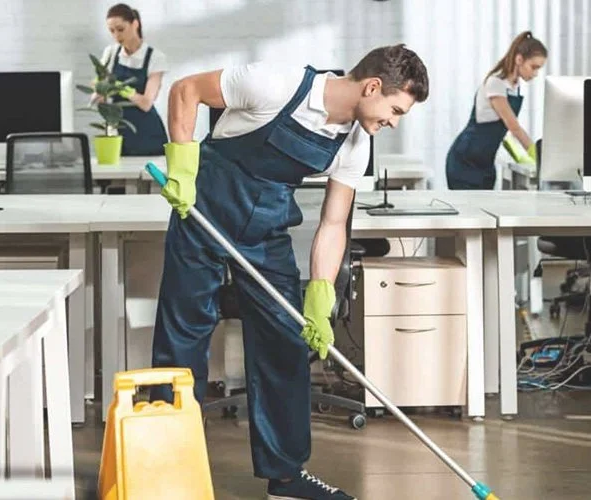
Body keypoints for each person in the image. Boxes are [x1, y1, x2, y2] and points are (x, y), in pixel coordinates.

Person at [151, 45, 429, 500]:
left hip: (267, 231)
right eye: (396, 109)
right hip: (203, 212)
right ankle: (162, 473)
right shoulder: (277, 84)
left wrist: (320, 295)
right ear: (373, 87)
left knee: (284, 344)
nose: (393, 121)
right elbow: (186, 91)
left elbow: (334, 222)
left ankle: (286, 478)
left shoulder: (357, 141)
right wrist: (181, 167)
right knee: (181, 340)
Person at [445, 31, 547, 190]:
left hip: (485, 163)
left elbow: (502, 131)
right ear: (519, 59)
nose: (535, 74)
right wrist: (538, 159)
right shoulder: (496, 83)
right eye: (533, 67)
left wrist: (522, 157)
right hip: (465, 161)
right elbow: (513, 127)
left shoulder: (514, 88)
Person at [96, 3, 169, 155]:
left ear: (135, 24)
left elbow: (146, 103)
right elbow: (99, 95)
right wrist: (98, 91)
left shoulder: (155, 57)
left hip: (148, 134)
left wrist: (120, 88)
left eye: (121, 29)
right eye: (112, 31)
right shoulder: (110, 53)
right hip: (119, 131)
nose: (116, 35)